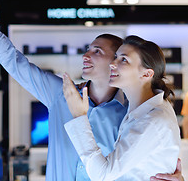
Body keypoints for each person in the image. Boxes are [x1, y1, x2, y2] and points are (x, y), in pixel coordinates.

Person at [0, 0, 184, 181]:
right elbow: (13, 61)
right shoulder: (60, 93)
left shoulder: (130, 115)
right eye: (88, 48)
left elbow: (141, 168)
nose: (86, 55)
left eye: (98, 51)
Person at [63, 35, 181, 180]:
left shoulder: (152, 120)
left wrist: (79, 116)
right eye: (116, 57)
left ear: (146, 74)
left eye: (123, 59)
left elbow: (103, 174)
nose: (112, 64)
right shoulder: (140, 108)